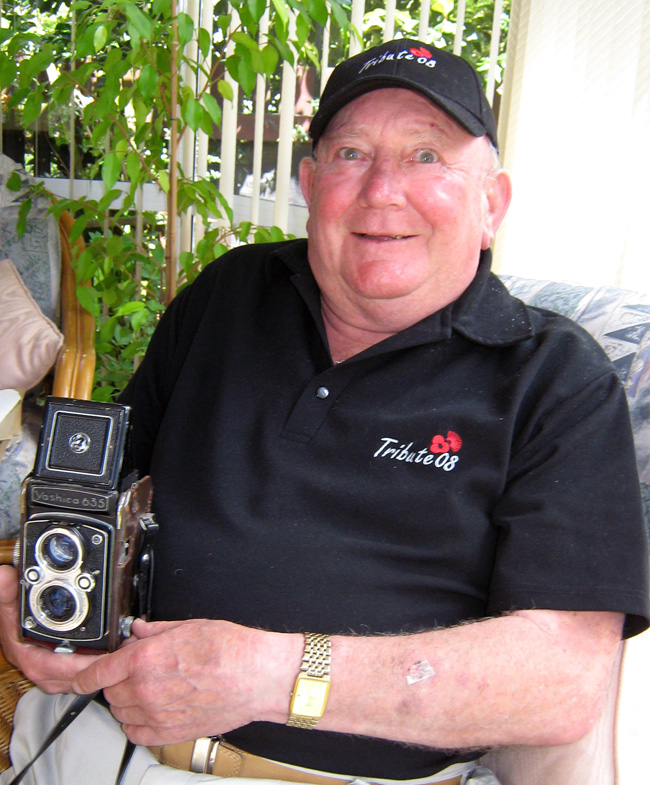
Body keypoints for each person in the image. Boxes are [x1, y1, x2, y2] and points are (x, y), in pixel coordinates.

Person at [0, 37, 648, 785]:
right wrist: (36, 609)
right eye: (349, 154)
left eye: (427, 156)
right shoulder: (228, 294)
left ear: (491, 204)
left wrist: (271, 674)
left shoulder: (555, 379)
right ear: (310, 183)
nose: (381, 190)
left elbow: (560, 684)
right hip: (94, 748)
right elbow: (98, 491)